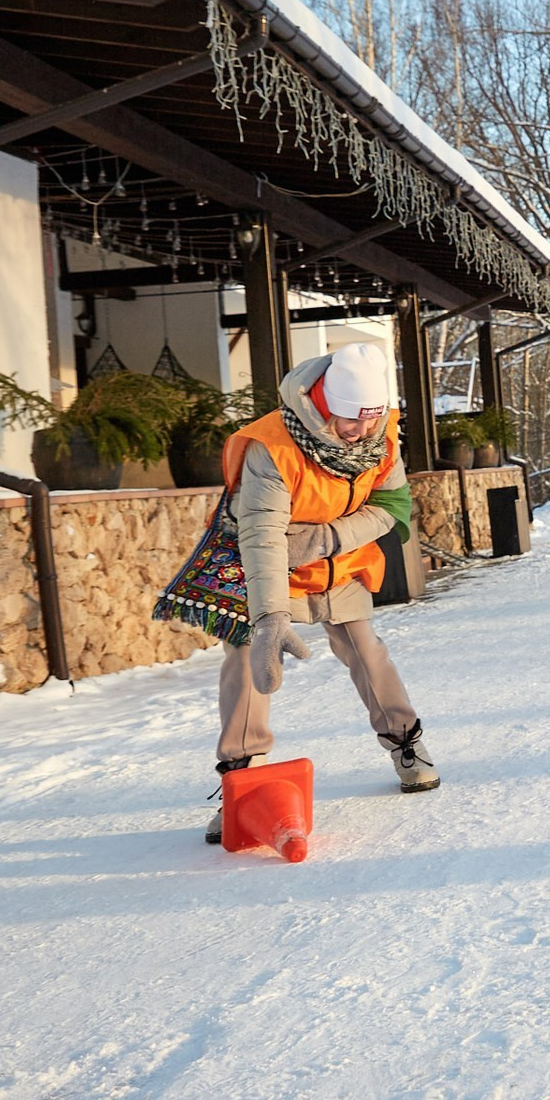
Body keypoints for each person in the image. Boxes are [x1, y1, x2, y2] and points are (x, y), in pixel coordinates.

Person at [205, 342, 438, 844]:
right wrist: (268, 618)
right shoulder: (272, 446)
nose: (360, 434)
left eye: (370, 422)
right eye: (350, 421)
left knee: (367, 653)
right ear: (324, 404)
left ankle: (406, 743)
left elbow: (394, 504)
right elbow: (262, 535)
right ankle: (239, 783)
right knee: (247, 661)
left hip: (341, 562)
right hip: (273, 568)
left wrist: (330, 537)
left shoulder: (382, 436)